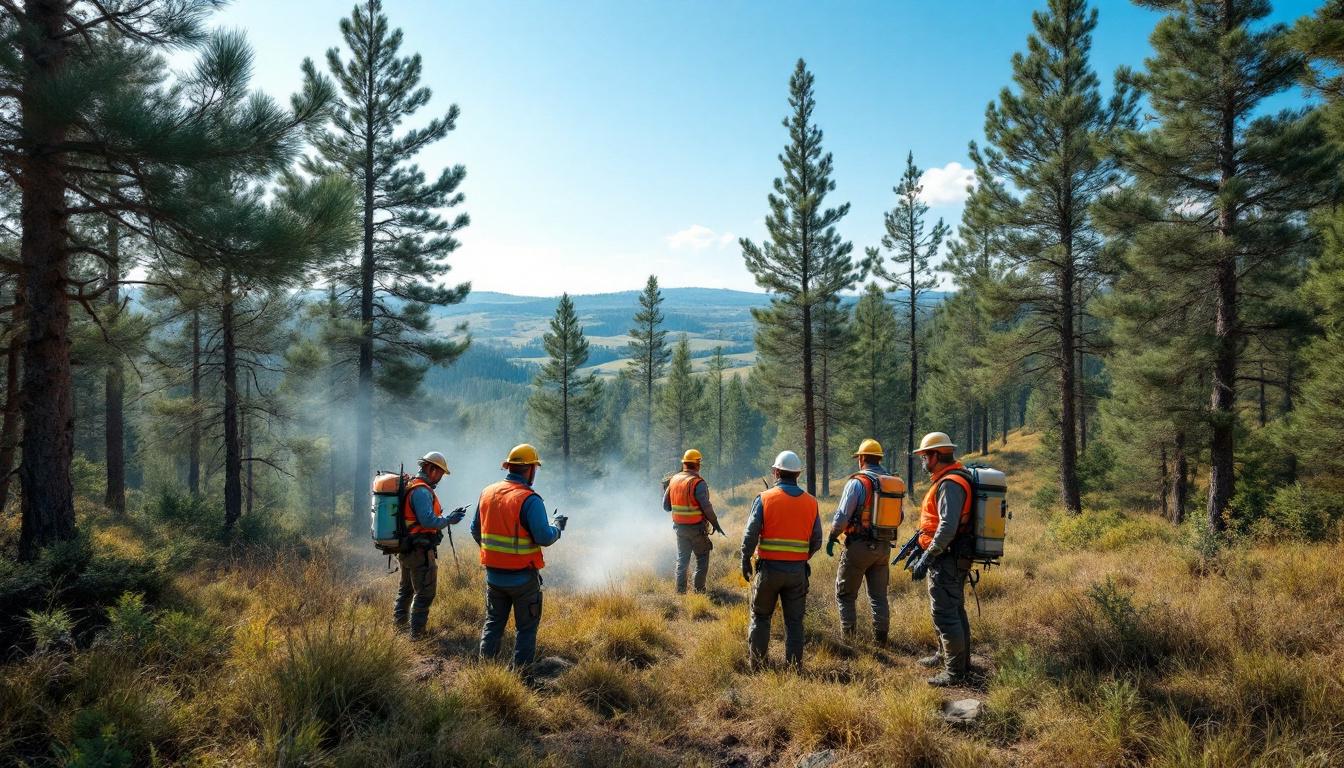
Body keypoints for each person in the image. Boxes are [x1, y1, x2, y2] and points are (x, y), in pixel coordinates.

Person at [470, 443, 567, 667]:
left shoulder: (487, 493)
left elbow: (475, 530)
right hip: (523, 580)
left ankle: (485, 672)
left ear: (509, 467)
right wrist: (557, 528)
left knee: (493, 623)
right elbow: (544, 537)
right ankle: (522, 677)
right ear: (530, 469)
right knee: (526, 629)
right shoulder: (530, 499)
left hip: (493, 577)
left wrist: (494, 555)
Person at [740, 450, 822, 670]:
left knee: (760, 617)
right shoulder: (811, 502)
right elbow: (817, 541)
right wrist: (800, 558)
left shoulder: (764, 498)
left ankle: (758, 666)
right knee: (794, 623)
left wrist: (745, 559)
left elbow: (750, 534)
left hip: (768, 571)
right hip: (797, 573)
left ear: (775, 472)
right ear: (798, 474)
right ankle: (794, 668)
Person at [906, 432, 975, 686]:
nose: (923, 461)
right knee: (953, 610)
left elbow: (947, 527)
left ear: (935, 455)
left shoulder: (950, 484)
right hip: (950, 556)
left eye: (925, 456)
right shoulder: (949, 479)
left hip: (947, 558)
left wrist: (928, 555)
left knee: (946, 614)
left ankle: (955, 673)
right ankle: (951, 658)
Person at [826, 438, 896, 644]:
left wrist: (832, 536)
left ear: (862, 458)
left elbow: (842, 517)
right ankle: (881, 641)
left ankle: (849, 642)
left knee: (845, 595)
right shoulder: (891, 483)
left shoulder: (857, 483)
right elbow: (899, 517)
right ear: (879, 458)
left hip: (859, 546)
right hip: (883, 547)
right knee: (878, 597)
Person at [393, 451, 467, 639]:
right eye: (440, 473)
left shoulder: (411, 485)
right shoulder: (422, 491)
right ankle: (417, 636)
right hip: (419, 551)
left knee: (406, 590)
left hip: (406, 547)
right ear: (431, 469)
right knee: (425, 593)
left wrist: (447, 517)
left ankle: (399, 629)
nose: (440, 478)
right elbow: (427, 521)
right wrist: (449, 520)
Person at [663, 448, 724, 594]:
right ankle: (699, 591)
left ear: (684, 463)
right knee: (702, 559)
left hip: (680, 529)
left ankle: (680, 592)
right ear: (697, 464)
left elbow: (666, 507)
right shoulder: (698, 483)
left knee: (682, 560)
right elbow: (706, 507)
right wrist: (715, 524)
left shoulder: (673, 480)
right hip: (697, 529)